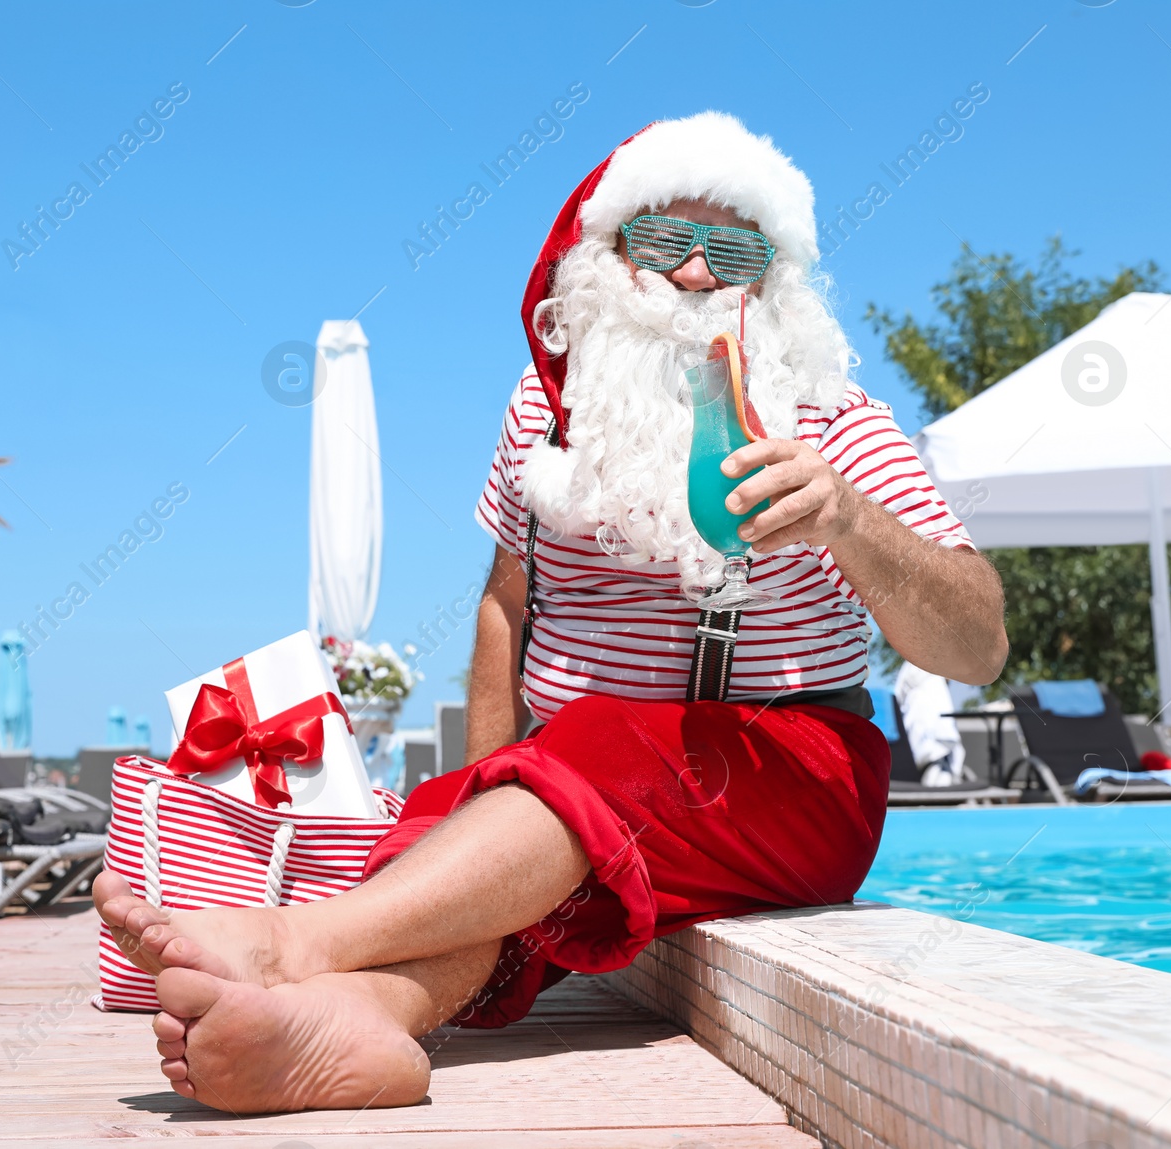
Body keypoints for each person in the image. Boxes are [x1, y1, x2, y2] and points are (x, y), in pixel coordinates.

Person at [94, 111, 1008, 1113]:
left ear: (771, 282)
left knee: (595, 761)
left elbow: (976, 645)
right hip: (580, 776)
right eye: (663, 244)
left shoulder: (836, 423)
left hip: (789, 780)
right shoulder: (541, 414)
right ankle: (366, 1021)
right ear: (605, 261)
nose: (696, 276)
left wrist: (845, 518)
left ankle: (296, 944)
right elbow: (505, 606)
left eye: (733, 254)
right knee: (481, 828)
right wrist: (485, 789)